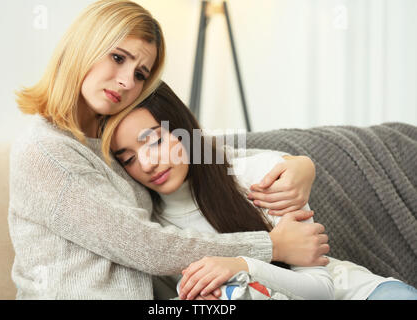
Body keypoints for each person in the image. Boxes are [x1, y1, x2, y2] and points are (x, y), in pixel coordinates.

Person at [9, 0, 329, 299]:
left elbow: (203, 152)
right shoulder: (45, 151)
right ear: (83, 48)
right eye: (118, 58)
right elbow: (142, 244)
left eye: (139, 74)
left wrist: (298, 164)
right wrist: (271, 245)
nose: (125, 82)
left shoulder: (112, 137)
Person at [110, 81, 417, 300]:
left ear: (183, 130)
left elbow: (322, 290)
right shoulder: (149, 232)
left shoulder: (262, 177)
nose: (148, 164)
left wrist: (242, 265)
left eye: (156, 141)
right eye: (129, 158)